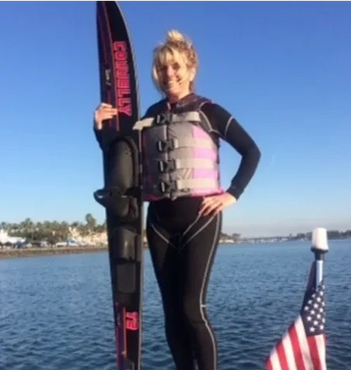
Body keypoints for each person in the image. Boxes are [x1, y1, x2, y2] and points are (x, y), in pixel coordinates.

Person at [93, 30, 261, 370]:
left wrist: (232, 193)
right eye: (162, 69)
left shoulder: (210, 111)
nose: (169, 74)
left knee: (191, 308)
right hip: (158, 222)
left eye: (175, 66)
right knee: (171, 310)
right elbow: (121, 162)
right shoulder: (147, 118)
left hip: (201, 216)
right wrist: (101, 131)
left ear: (191, 67)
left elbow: (251, 151)